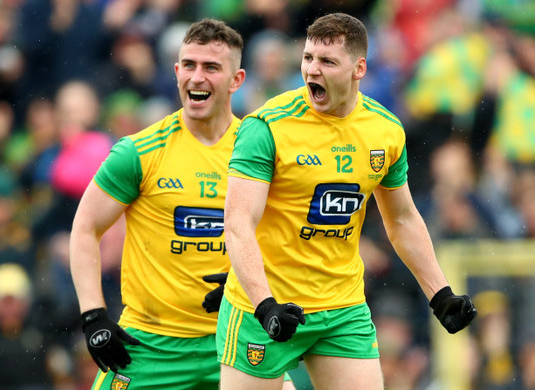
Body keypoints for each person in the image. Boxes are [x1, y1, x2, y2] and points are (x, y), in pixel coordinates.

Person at [218, 12, 477, 390]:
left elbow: (402, 219)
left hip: (342, 308)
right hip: (264, 307)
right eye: (308, 58)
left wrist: (440, 294)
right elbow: (238, 223)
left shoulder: (385, 131)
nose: (312, 70)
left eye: (327, 62)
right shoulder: (266, 127)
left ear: (359, 68)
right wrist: (264, 304)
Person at [69, 18, 295, 390]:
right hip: (150, 346)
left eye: (211, 67)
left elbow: (288, 237)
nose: (197, 77)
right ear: (176, 72)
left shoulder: (262, 152)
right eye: (189, 65)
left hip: (234, 339)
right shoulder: (139, 152)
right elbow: (84, 229)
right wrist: (93, 316)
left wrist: (250, 282)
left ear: (237, 80)